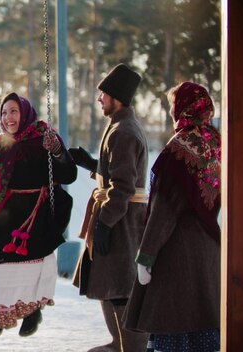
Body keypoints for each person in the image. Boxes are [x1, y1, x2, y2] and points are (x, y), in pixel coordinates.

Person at [0, 92, 77, 337]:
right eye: (4, 112)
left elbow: (68, 174)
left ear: (25, 112)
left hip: (33, 215)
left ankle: (33, 312)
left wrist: (57, 151)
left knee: (30, 266)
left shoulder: (43, 139)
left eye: (13, 111)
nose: (8, 117)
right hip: (2, 212)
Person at [123, 82, 221, 352]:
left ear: (183, 108)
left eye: (172, 105)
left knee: (174, 329)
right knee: (205, 329)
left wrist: (147, 256)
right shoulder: (216, 142)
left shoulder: (179, 149)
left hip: (178, 254)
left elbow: (164, 209)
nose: (170, 112)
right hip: (210, 251)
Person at [70, 63, 149, 351]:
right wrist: (93, 164)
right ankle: (121, 342)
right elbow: (119, 173)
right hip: (118, 219)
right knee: (112, 285)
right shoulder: (119, 125)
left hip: (121, 222)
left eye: (103, 93)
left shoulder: (124, 131)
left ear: (116, 96)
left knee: (119, 287)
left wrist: (104, 223)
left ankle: (130, 346)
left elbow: (124, 187)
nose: (99, 99)